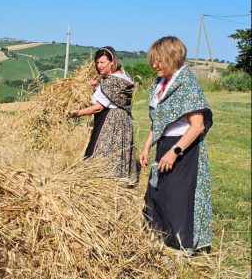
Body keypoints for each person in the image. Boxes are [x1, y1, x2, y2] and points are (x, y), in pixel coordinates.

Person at [139, 36, 213, 254]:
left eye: (159, 60)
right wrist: (146, 148)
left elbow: (197, 126)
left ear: (172, 58)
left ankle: (179, 247)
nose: (154, 65)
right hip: (166, 144)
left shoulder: (186, 83)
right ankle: (159, 242)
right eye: (153, 60)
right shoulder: (161, 84)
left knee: (176, 197)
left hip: (184, 148)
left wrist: (175, 152)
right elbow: (159, 122)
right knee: (157, 193)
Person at [68, 46, 139, 186]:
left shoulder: (109, 82)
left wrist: (76, 113)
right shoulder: (124, 77)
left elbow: (98, 107)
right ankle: (121, 181)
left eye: (102, 62)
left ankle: (102, 184)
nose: (99, 66)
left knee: (101, 152)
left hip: (110, 121)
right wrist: (98, 85)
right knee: (118, 151)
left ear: (112, 62)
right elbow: (113, 94)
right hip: (123, 120)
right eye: (97, 62)